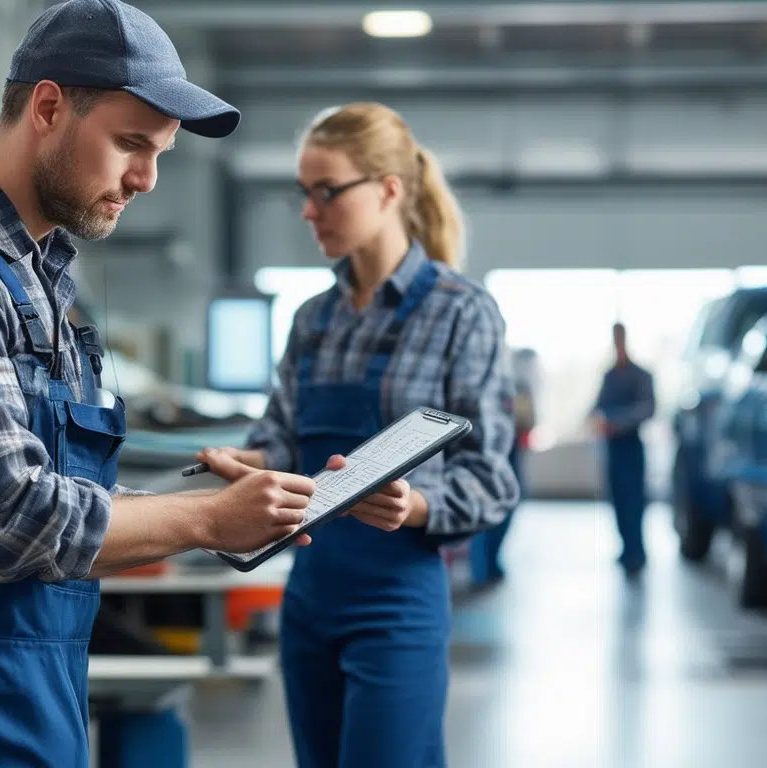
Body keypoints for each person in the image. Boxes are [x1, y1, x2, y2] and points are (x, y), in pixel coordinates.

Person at [0, 2, 323, 766]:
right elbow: (7, 521)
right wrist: (206, 520)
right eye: (129, 144)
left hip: (42, 703)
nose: (147, 179)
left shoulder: (35, 278)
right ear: (49, 106)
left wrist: (225, 510)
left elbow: (55, 500)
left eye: (160, 154)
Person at [197, 102, 520, 768]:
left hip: (396, 603)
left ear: (389, 190)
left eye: (326, 191)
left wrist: (415, 505)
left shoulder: (462, 314)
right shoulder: (314, 318)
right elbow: (284, 439)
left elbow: (491, 480)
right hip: (309, 596)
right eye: (303, 195)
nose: (309, 211)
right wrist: (243, 460)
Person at [591, 322, 656, 576]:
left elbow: (648, 409)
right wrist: (598, 420)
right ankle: (625, 548)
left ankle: (636, 552)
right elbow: (598, 405)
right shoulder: (609, 376)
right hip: (613, 447)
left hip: (631, 446)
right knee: (617, 499)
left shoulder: (641, 375)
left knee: (634, 501)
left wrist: (620, 422)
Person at [468, 347, 537, 586]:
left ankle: (492, 563)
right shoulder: (478, 383)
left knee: (505, 508)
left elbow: (529, 422)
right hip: (484, 456)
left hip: (510, 455)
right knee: (482, 511)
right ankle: (481, 570)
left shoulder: (519, 388)